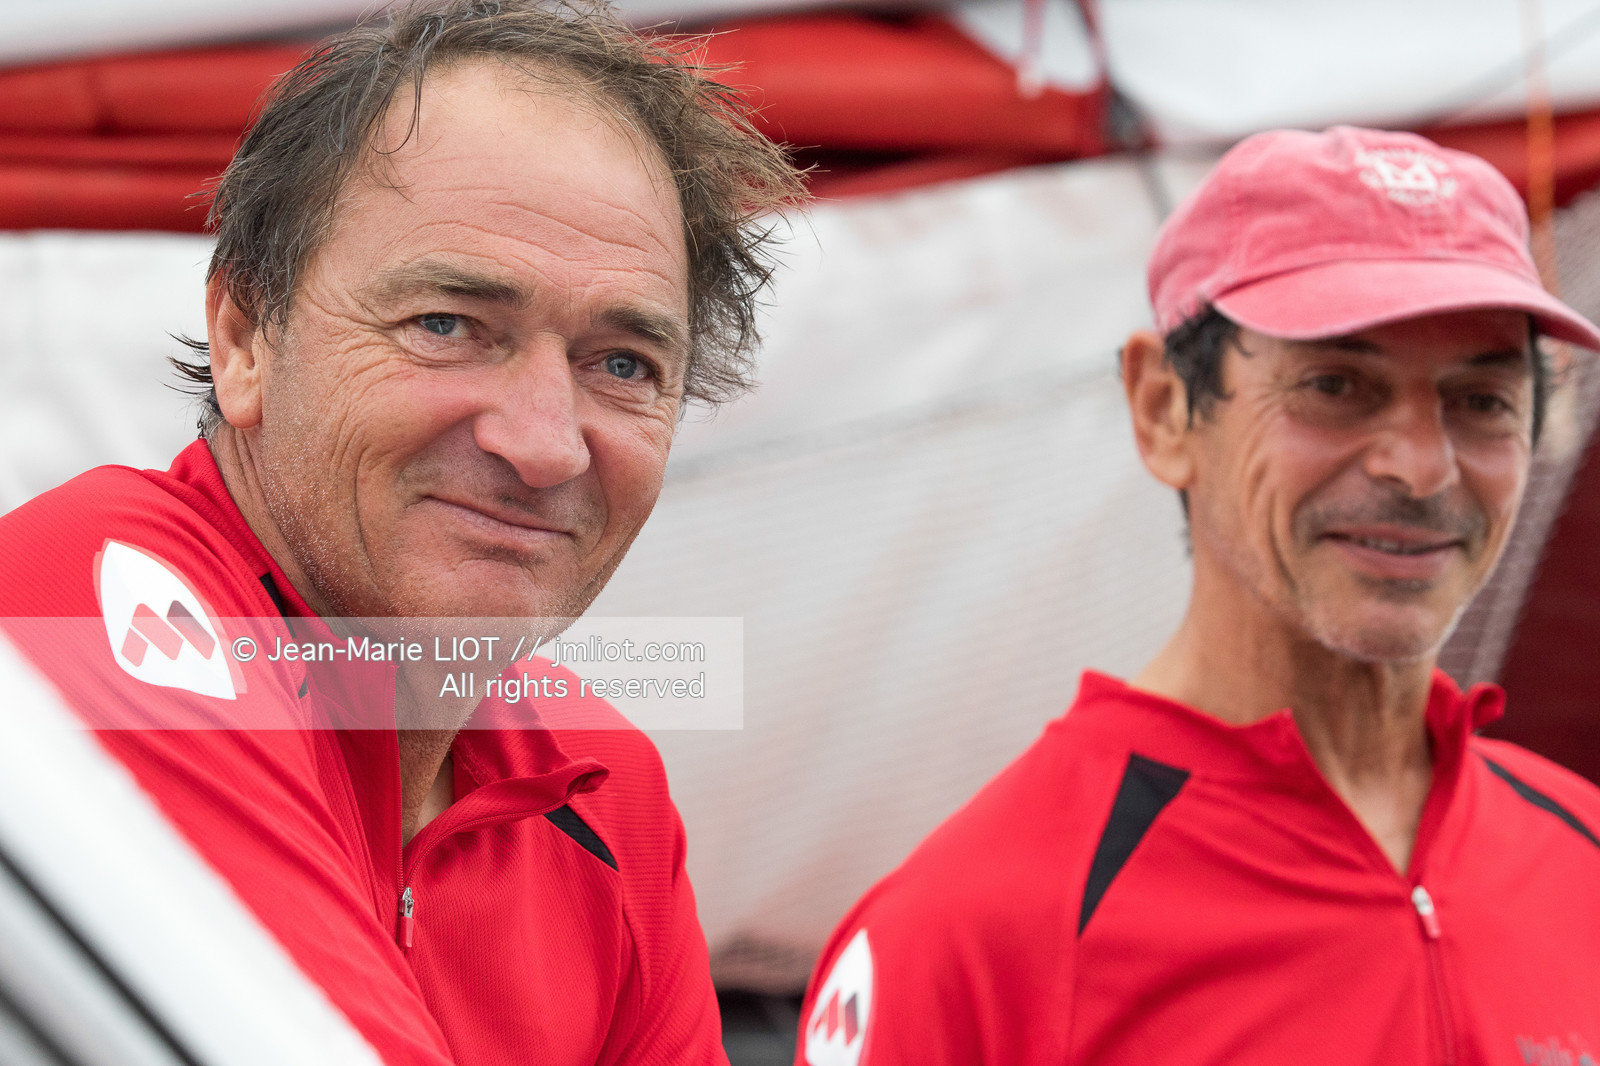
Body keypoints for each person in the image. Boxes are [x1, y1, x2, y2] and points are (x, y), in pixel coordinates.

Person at [0, 2, 801, 1064]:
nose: (545, 444)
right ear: (244, 339)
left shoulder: (605, 788)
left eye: (622, 364)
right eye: (447, 325)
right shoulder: (97, 604)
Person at [797, 126, 1600, 1066]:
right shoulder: (979, 934)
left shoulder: (1580, 854)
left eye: (1481, 401)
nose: (1423, 468)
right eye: (1337, 385)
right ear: (1164, 409)